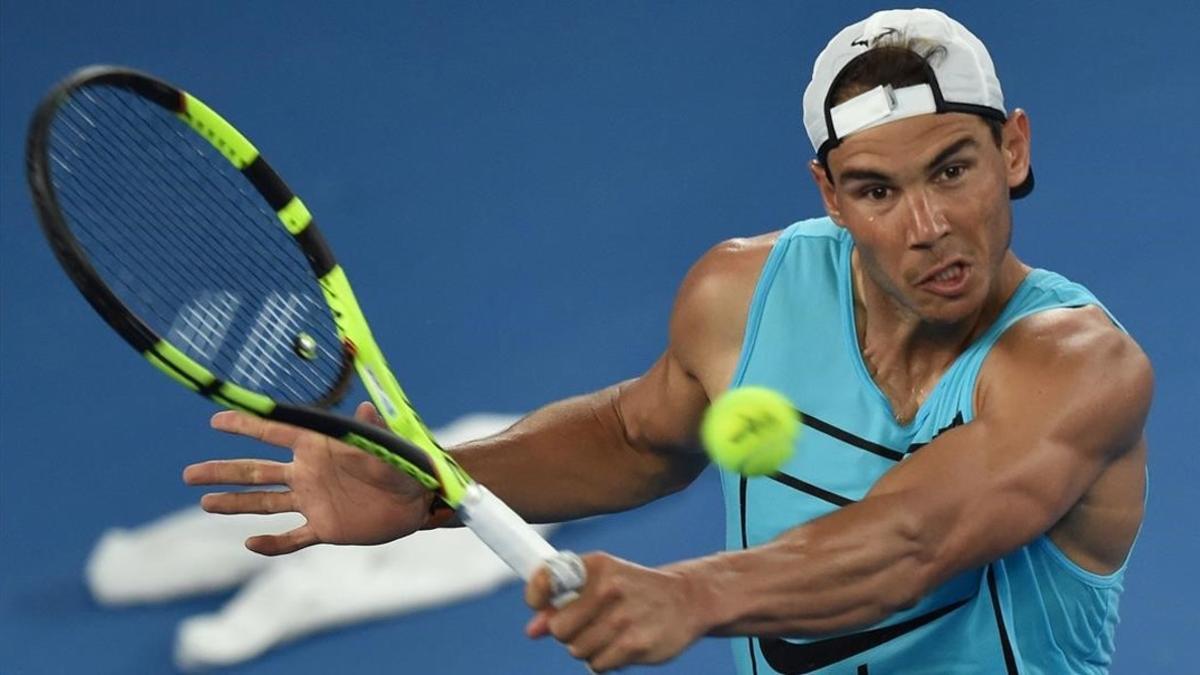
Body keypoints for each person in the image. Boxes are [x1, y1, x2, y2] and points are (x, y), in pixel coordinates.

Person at [184, 9, 1152, 674]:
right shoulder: (743, 293)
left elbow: (912, 541)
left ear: (1013, 150)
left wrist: (693, 596)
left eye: (953, 172)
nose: (926, 225)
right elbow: (638, 439)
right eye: (876, 190)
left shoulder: (1077, 367)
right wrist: (433, 480)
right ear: (828, 194)